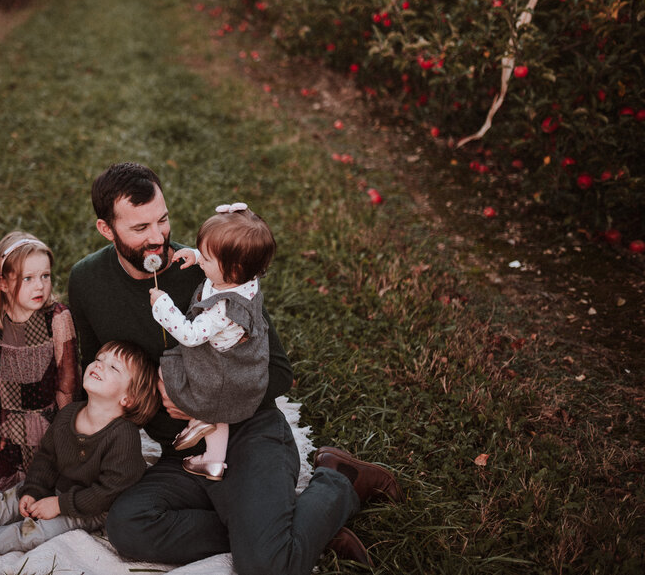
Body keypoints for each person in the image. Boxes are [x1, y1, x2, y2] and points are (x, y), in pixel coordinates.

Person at [67, 162, 404, 573]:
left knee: (263, 568)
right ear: (107, 229)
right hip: (184, 452)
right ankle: (289, 528)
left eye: (163, 220)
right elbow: (92, 371)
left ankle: (339, 480)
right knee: (128, 527)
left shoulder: (215, 266)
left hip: (248, 431)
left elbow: (278, 371)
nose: (158, 238)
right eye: (140, 229)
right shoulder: (86, 280)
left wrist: (205, 405)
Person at [0, 340, 160, 563]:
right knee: (6, 502)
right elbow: (47, 460)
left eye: (114, 368)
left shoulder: (123, 435)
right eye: (99, 359)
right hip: (57, 489)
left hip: (90, 507)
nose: (99, 365)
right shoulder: (69, 415)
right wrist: (34, 490)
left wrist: (60, 505)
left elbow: (109, 491)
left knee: (34, 533)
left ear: (129, 398)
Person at [148, 202, 276, 481]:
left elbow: (190, 335)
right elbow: (223, 258)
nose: (201, 261)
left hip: (217, 371)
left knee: (167, 370)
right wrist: (196, 256)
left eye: (206, 258)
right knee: (223, 414)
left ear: (232, 268)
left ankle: (198, 418)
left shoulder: (222, 309)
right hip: (242, 366)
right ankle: (214, 462)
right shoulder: (244, 277)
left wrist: (163, 306)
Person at [0, 232, 80, 498]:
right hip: (9, 426)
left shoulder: (57, 318)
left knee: (54, 484)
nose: (39, 286)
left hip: (49, 425)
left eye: (45, 276)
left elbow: (68, 379)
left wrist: (67, 430)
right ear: (3, 284)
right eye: (28, 279)